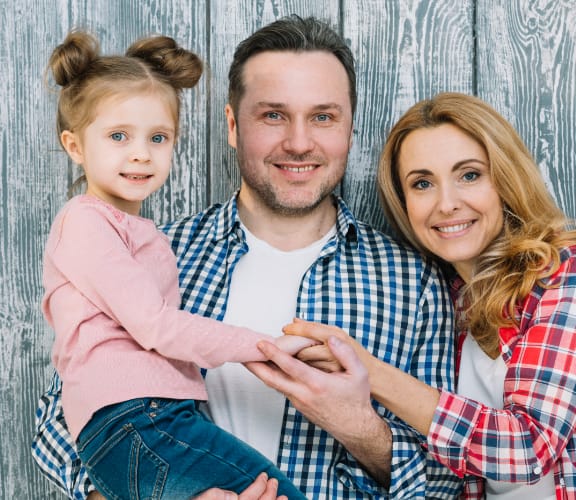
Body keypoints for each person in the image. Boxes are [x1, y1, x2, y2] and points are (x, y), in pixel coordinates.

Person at [32, 16, 462, 499]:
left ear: (350, 128)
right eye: (273, 115)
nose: (299, 142)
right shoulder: (154, 253)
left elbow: (446, 479)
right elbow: (61, 419)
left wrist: (359, 426)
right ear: (233, 126)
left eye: (323, 116)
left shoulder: (414, 282)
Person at [40, 29, 313, 500]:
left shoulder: (137, 231)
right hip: (137, 419)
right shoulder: (86, 222)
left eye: (158, 137)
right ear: (75, 146)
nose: (142, 153)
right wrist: (267, 347)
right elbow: (155, 326)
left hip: (146, 420)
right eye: (118, 136)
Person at [284, 92, 576, 499]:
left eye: (469, 175)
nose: (447, 203)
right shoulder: (445, 299)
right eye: (422, 183)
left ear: (506, 179)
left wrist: (369, 371)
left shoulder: (564, 274)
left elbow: (527, 448)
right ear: (404, 203)